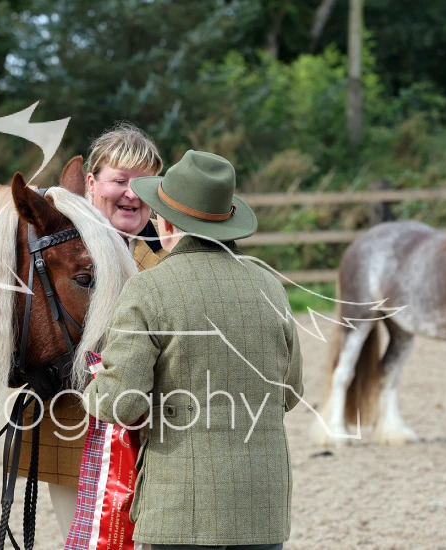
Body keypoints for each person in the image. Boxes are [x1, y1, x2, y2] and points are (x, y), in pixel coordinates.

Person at [83, 150, 304, 550]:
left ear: (166, 223)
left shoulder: (148, 289)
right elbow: (290, 393)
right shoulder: (270, 286)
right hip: (263, 503)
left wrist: (91, 387)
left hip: (180, 506)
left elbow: (121, 403)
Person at [14, 122, 165, 539]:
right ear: (92, 184)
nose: (132, 193)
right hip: (74, 428)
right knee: (84, 539)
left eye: (145, 183)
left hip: (158, 437)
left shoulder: (167, 256)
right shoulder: (56, 250)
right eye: (120, 180)